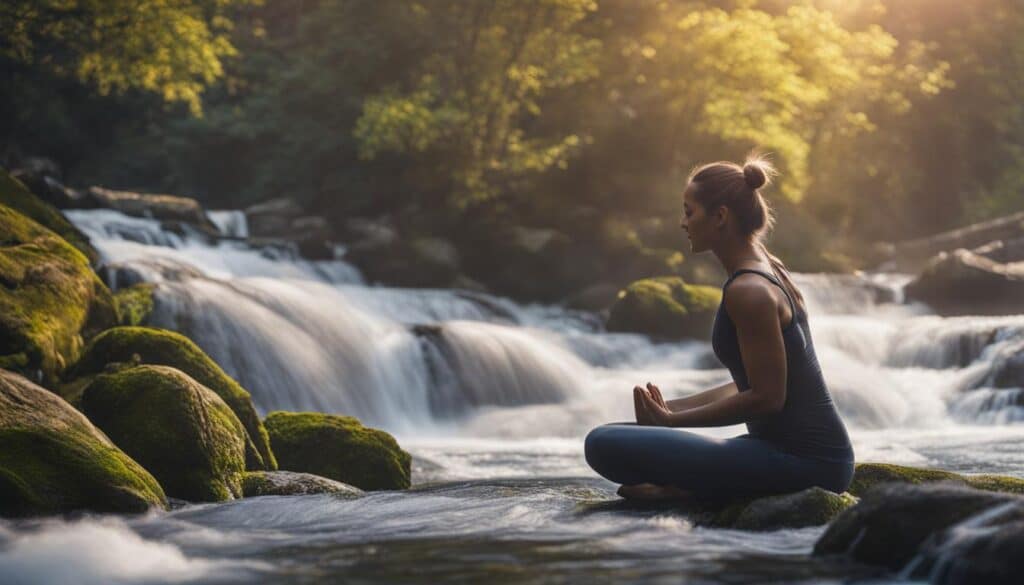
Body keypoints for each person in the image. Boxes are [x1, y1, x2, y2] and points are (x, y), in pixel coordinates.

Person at [584, 155, 855, 501]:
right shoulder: (769, 268)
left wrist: (673, 424)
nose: (683, 222)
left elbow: (768, 398)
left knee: (601, 443)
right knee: (617, 432)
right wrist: (671, 411)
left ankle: (686, 493)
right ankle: (693, 486)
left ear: (721, 216)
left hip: (806, 464)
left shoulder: (749, 292)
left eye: (689, 211)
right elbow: (748, 384)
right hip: (794, 454)